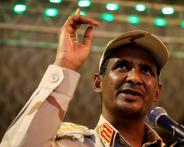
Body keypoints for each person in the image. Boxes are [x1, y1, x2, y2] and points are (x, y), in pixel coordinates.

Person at [0, 8, 169, 147]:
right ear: (98, 82)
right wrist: (64, 64)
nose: (134, 78)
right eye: (122, 66)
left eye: (146, 70)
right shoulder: (66, 143)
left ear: (157, 93)